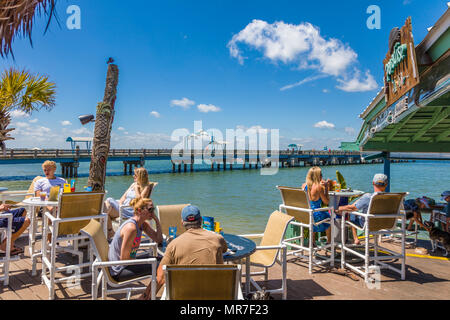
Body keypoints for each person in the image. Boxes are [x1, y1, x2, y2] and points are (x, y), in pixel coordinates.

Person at [140, 205, 228, 300]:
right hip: (215, 294)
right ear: (201, 220)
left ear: (182, 222)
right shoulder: (217, 239)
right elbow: (224, 249)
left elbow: (160, 277)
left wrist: (145, 296)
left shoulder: (174, 245)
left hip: (184, 295)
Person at [108, 198, 162, 282]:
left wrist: (157, 220)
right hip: (120, 270)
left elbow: (158, 240)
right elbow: (124, 259)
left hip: (127, 264)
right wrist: (144, 261)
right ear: (140, 210)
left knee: (162, 259)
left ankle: (150, 293)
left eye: (153, 209)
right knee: (161, 265)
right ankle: (147, 294)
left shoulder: (142, 224)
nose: (152, 212)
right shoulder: (131, 228)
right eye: (150, 209)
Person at [336, 173, 389, 245]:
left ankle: (356, 239)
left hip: (367, 224)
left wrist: (339, 208)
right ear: (386, 185)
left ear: (373, 183)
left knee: (351, 214)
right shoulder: (389, 197)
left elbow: (352, 208)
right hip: (384, 224)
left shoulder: (368, 197)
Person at [104, 167, 155, 239]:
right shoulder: (133, 184)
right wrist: (120, 204)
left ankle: (106, 231)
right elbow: (123, 197)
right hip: (123, 208)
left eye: (135, 175)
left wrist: (136, 188)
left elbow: (139, 201)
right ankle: (110, 232)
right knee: (106, 210)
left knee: (106, 206)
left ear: (140, 177)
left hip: (131, 210)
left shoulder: (146, 187)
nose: (133, 176)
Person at [301, 166, 332, 244]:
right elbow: (326, 202)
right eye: (321, 174)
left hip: (307, 214)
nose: (322, 175)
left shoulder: (304, 186)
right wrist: (327, 187)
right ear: (318, 176)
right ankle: (329, 242)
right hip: (316, 214)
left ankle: (313, 241)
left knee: (314, 217)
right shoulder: (318, 187)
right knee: (329, 217)